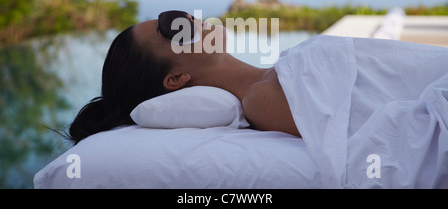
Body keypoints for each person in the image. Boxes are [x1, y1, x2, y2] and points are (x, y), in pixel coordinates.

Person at [69, 11, 298, 144]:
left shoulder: (276, 74)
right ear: (176, 78)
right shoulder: (262, 98)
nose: (188, 18)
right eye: (171, 28)